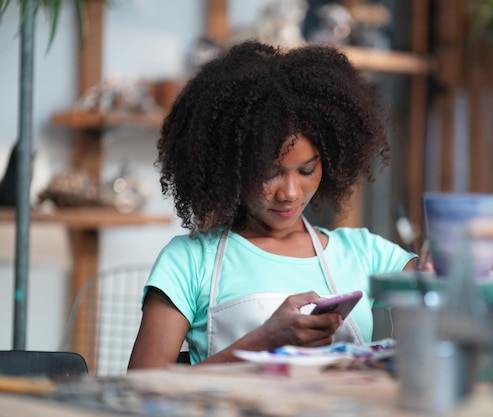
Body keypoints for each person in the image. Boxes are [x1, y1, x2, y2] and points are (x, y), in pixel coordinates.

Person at [128, 41, 418, 369]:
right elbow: (143, 383)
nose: (291, 193)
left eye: (307, 170)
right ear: (230, 168)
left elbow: (444, 293)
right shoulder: (189, 262)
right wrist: (264, 340)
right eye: (269, 174)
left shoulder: (366, 253)